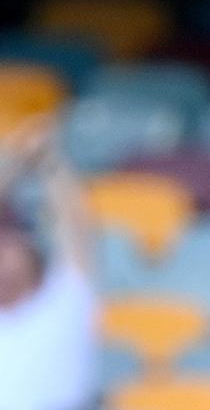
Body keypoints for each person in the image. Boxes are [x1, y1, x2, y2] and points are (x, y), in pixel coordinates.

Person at [0, 116, 99, 410]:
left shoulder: (64, 300)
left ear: (30, 252)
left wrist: (49, 163)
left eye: (8, 246)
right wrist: (11, 161)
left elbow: (76, 227)